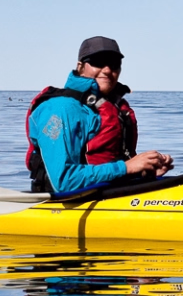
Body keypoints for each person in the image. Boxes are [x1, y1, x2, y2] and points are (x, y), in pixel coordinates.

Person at [23, 36, 173, 197]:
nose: (107, 70)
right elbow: (64, 181)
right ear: (80, 67)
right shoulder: (59, 110)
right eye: (98, 62)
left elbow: (112, 169)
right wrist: (127, 167)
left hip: (109, 195)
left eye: (114, 64)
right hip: (65, 203)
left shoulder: (113, 108)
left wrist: (145, 171)